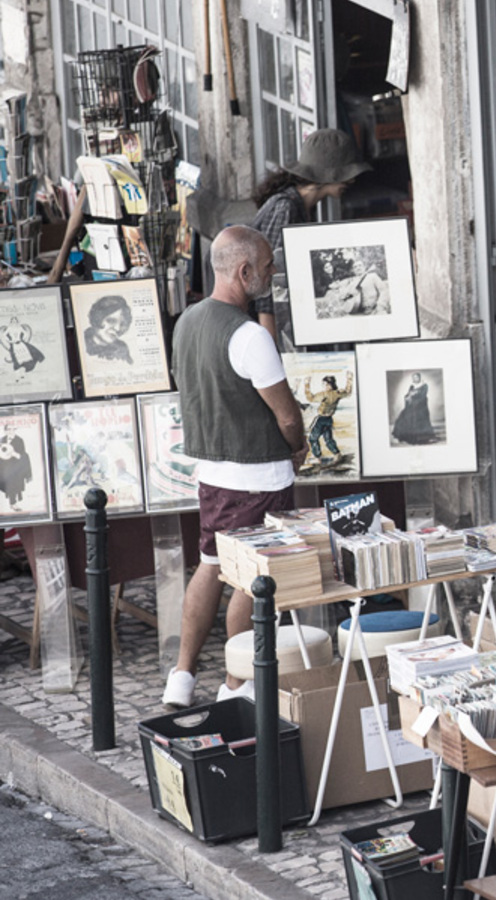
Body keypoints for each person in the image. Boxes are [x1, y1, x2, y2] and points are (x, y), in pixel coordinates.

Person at [161, 226, 308, 709]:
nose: (270, 275)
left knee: (210, 566)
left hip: (212, 473)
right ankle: (235, 683)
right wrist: (300, 445)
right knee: (252, 576)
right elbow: (286, 413)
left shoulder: (186, 322)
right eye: (265, 268)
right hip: (259, 475)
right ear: (244, 272)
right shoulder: (250, 337)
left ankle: (181, 676)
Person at [248, 128, 373, 343]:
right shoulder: (285, 208)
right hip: (268, 332)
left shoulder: (304, 206)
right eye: (346, 176)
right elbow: (268, 284)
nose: (351, 182)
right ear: (327, 175)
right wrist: (273, 351)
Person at [303, 371, 353, 462]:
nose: (323, 386)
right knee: (328, 439)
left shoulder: (324, 394)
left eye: (324, 384)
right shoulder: (337, 393)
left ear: (329, 385)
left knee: (313, 438)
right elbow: (348, 392)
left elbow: (310, 398)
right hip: (329, 419)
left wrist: (307, 384)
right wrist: (349, 379)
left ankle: (317, 457)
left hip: (321, 419)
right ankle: (337, 454)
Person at [83, 295, 134, 364]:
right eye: (111, 321)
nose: (117, 328)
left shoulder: (122, 348)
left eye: (122, 324)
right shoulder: (82, 342)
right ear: (97, 318)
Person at [391, 372, 437, 444]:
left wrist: (413, 397)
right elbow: (408, 394)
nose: (415, 379)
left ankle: (423, 437)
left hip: (421, 407)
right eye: (414, 378)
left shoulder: (424, 386)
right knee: (403, 416)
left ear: (419, 377)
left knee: (418, 418)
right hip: (412, 406)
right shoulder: (412, 386)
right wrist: (407, 397)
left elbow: (422, 395)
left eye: (417, 377)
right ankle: (405, 436)